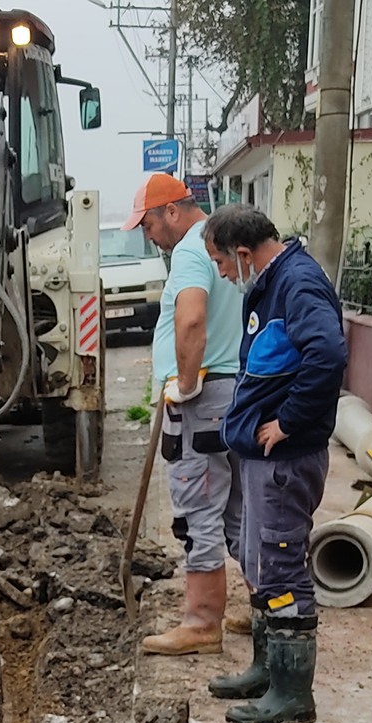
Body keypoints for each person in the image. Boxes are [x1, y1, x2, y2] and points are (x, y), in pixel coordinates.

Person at [200, 205, 347, 723]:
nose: (220, 274)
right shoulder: (274, 284)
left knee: (281, 565)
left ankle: (291, 693)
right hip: (266, 457)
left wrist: (287, 421)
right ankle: (267, 670)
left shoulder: (298, 285)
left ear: (243, 254)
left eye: (220, 263)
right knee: (259, 559)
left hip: (286, 457)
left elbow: (327, 355)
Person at [127, 173, 249, 656]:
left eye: (150, 225)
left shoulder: (191, 251)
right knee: (239, 508)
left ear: (172, 212)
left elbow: (192, 318)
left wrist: (185, 382)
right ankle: (267, 604)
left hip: (206, 399)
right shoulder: (225, 248)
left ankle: (201, 622)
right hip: (237, 390)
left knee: (197, 508)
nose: (149, 235)